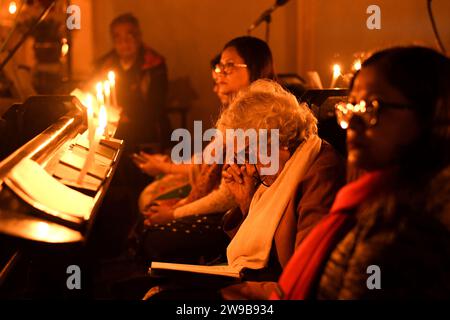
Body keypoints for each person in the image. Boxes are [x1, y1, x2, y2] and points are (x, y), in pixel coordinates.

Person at [270, 46, 450, 300]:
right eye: (351, 107)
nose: (353, 123)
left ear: (432, 113)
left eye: (371, 107)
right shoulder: (368, 204)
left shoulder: (411, 231)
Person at [144, 79, 345, 300]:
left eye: (248, 153)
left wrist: (232, 291)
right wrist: (247, 201)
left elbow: (303, 274)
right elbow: (264, 237)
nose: (247, 166)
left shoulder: (319, 172)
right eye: (242, 156)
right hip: (259, 281)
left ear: (277, 138)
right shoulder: (284, 165)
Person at [132, 37, 277, 264]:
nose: (220, 74)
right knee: (148, 217)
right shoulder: (238, 114)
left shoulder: (258, 118)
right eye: (220, 66)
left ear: (255, 67)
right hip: (231, 213)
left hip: (236, 222)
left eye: (229, 66)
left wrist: (174, 212)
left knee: (152, 234)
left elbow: (226, 198)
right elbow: (207, 162)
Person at [95, 13, 170, 151]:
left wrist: (127, 116)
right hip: (113, 129)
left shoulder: (154, 65)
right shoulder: (104, 65)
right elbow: (96, 94)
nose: (124, 43)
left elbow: (156, 105)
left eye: (129, 36)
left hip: (146, 130)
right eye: (118, 37)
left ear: (139, 36)